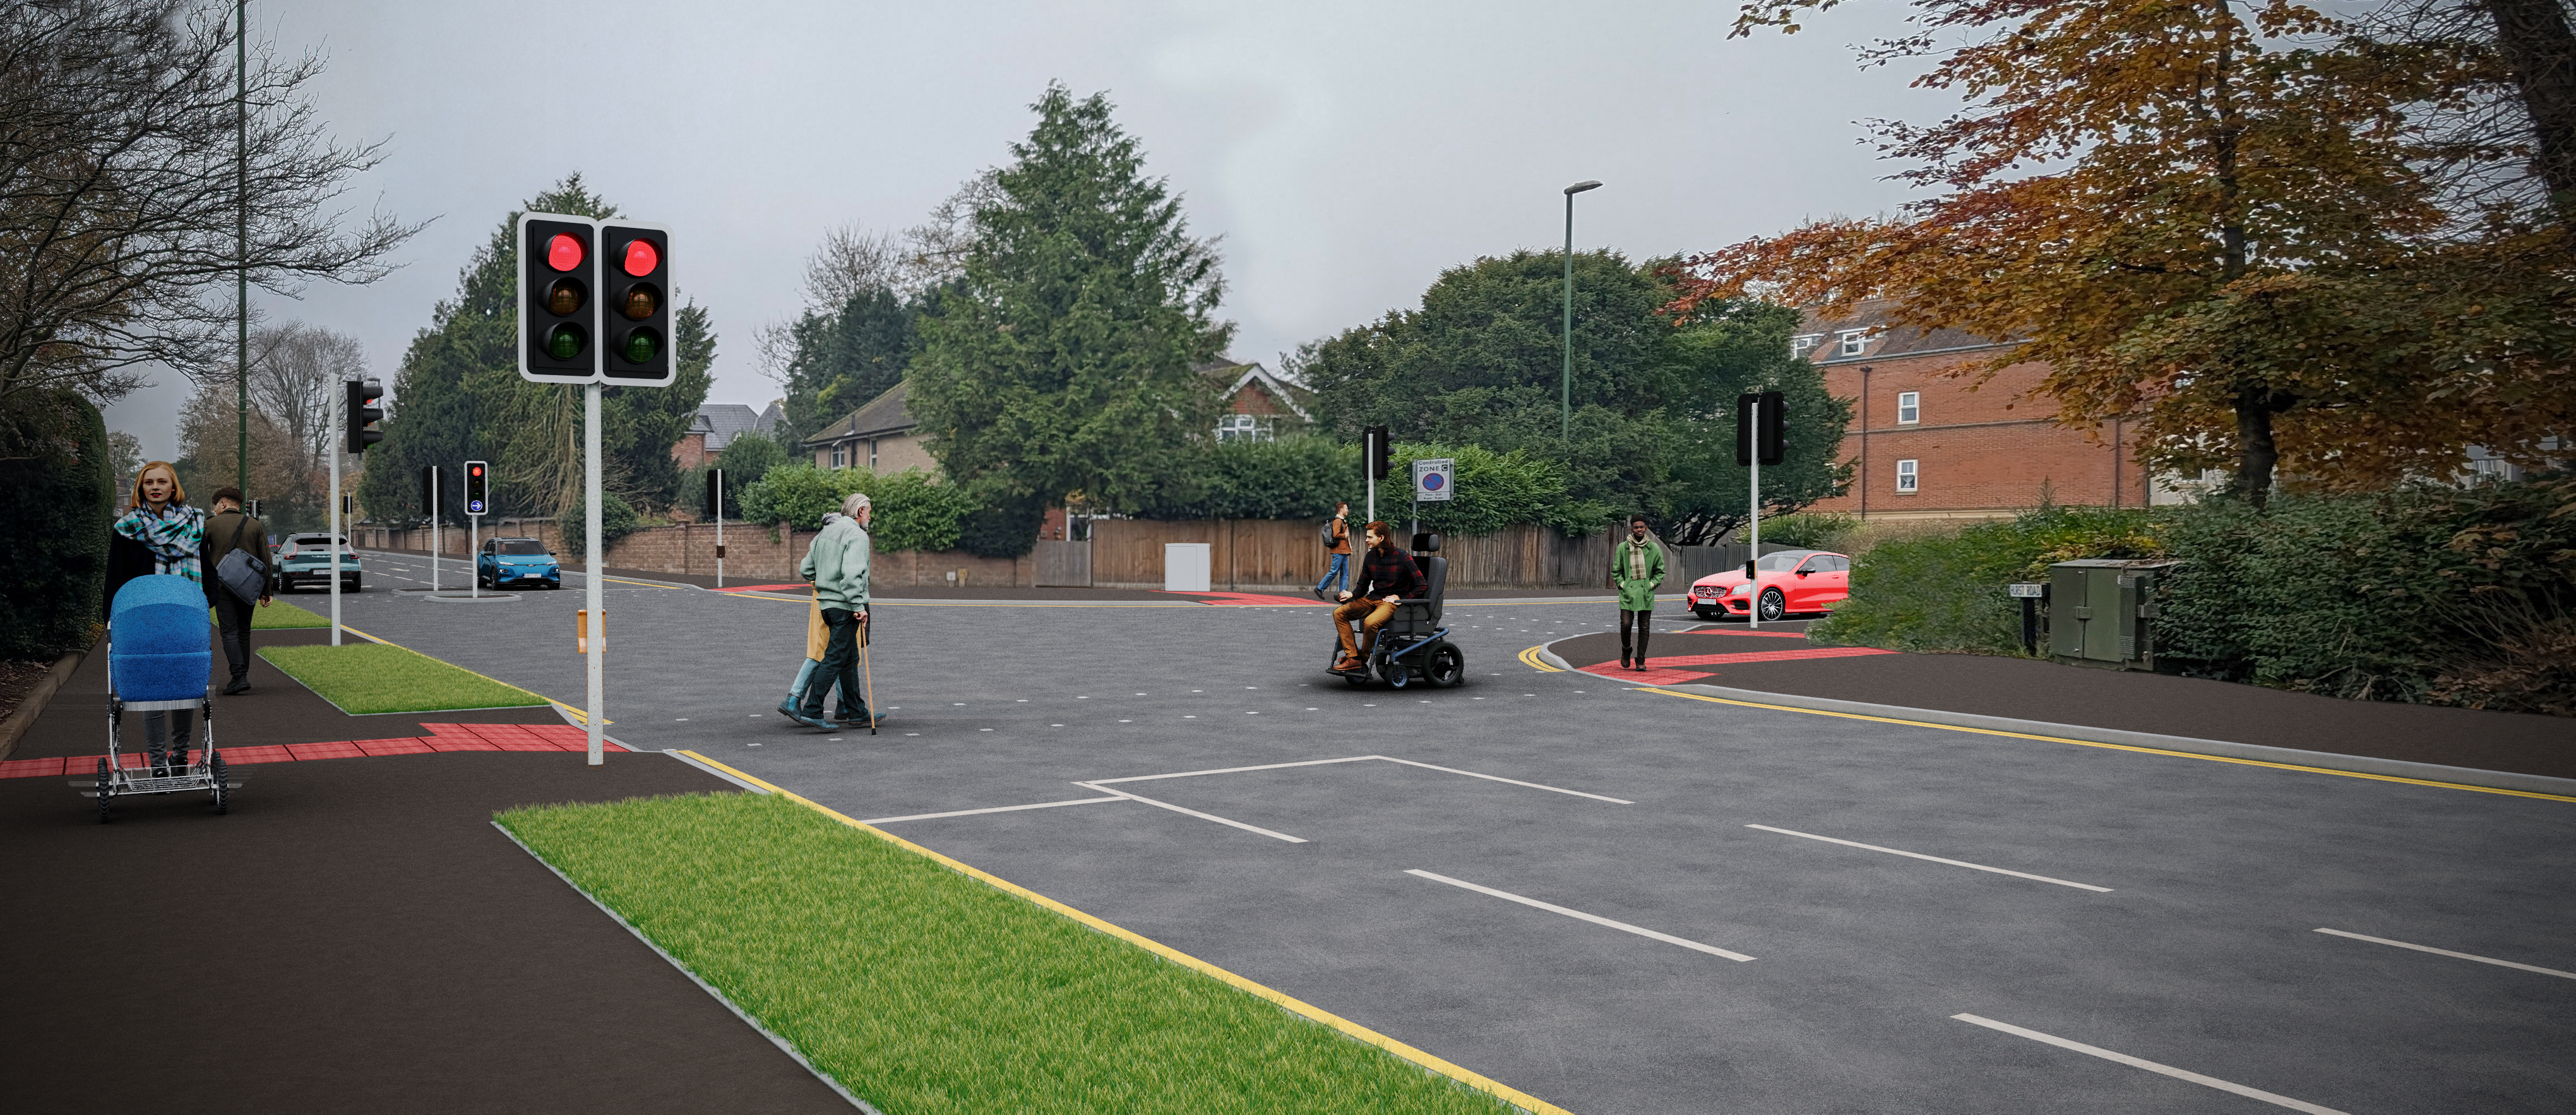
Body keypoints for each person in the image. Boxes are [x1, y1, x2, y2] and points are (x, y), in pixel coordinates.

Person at [107, 462, 205, 771]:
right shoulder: (127, 529)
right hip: (144, 620)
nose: (155, 487)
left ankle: (180, 757)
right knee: (153, 688)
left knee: (185, 686)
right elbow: (116, 576)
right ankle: (159, 761)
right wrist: (113, 617)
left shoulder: (195, 524)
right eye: (148, 482)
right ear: (141, 488)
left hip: (185, 617)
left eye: (162, 481)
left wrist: (206, 601)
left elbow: (210, 569)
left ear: (173, 487)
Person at [794, 492, 883, 730]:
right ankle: (813, 710)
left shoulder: (826, 532)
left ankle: (856, 711)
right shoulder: (857, 535)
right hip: (846, 606)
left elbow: (806, 569)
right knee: (834, 658)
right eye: (869, 512)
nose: (870, 517)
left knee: (849, 658)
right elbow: (853, 575)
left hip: (826, 605)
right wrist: (858, 607)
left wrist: (825, 582)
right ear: (861, 511)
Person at [778, 511, 865, 725]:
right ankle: (796, 699)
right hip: (834, 601)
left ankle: (845, 704)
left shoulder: (822, 542)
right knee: (824, 653)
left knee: (841, 654)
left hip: (825, 600)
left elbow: (806, 569)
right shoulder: (839, 540)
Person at [200, 487, 276, 695]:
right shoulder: (255, 525)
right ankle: (241, 675)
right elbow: (266, 560)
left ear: (223, 504)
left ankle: (239, 676)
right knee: (244, 632)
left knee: (228, 632)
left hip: (222, 586)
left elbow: (201, 557)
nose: (215, 509)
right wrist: (267, 591)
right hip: (248, 589)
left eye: (216, 505)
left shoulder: (210, 524)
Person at [1330, 521, 1423, 672]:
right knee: (1339, 613)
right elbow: (1363, 586)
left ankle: (1361, 658)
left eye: (1369, 537)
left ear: (1381, 538)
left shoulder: (1402, 557)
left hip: (1390, 603)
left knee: (1370, 622)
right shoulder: (1370, 557)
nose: (1366, 540)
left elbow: (1422, 585)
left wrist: (1401, 598)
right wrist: (1352, 594)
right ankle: (1353, 657)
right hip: (1372, 598)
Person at [1612, 516, 1666, 669]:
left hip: (1645, 592)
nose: (1639, 530)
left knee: (1644, 627)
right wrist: (1623, 584)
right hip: (1627, 592)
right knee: (1626, 624)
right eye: (1636, 528)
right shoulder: (1623, 547)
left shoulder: (1654, 548)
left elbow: (1660, 572)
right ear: (1632, 529)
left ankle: (1641, 660)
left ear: (1646, 528)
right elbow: (1616, 571)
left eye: (1642, 527)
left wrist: (1651, 585)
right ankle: (1626, 650)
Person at [1312, 501, 1352, 601]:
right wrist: (1345, 535)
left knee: (1344, 574)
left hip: (1344, 551)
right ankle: (1319, 589)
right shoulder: (1338, 521)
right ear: (1341, 510)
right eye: (1346, 508)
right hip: (1338, 551)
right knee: (1334, 572)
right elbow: (1336, 535)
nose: (1348, 510)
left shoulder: (1342, 520)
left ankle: (1342, 595)